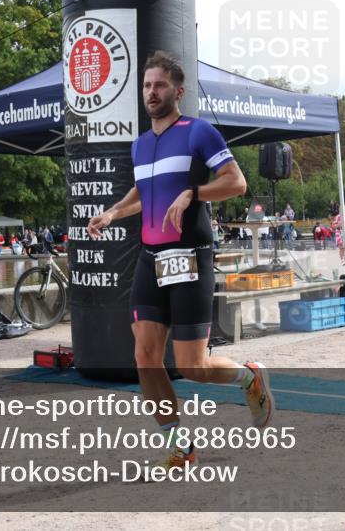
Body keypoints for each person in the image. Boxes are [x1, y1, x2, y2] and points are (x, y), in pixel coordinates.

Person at [87, 51, 273, 473]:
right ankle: (180, 447)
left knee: (192, 367)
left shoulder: (198, 132)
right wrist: (113, 212)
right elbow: (143, 193)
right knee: (145, 356)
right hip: (150, 258)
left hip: (190, 255)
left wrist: (194, 192)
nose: (152, 92)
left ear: (178, 91)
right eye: (147, 85)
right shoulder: (140, 144)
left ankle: (249, 377)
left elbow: (236, 182)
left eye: (160, 85)